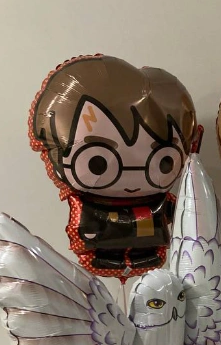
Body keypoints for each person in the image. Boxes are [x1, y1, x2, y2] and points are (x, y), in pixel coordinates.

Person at [29, 54, 197, 280]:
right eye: (97, 163)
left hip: (150, 248)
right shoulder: (86, 205)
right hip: (102, 249)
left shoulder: (162, 201)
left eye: (163, 162)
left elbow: (180, 213)